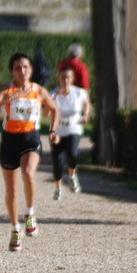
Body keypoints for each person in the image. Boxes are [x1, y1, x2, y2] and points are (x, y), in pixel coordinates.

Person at [0, 52, 59, 252]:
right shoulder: (6, 89)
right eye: (17, 67)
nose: (22, 71)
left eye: (25, 67)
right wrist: (4, 100)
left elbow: (54, 109)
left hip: (30, 139)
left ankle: (30, 213)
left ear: (31, 70)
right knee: (12, 191)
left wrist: (52, 130)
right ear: (12, 71)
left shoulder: (39, 90)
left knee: (28, 172)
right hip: (9, 141)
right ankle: (15, 229)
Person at [50, 67, 91, 200]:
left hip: (74, 129)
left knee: (72, 154)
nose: (65, 80)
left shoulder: (79, 92)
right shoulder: (54, 93)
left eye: (68, 77)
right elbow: (46, 112)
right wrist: (54, 98)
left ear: (72, 79)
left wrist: (86, 115)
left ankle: (73, 177)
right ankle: (58, 189)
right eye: (63, 77)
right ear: (59, 79)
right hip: (58, 131)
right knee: (57, 162)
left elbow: (87, 103)